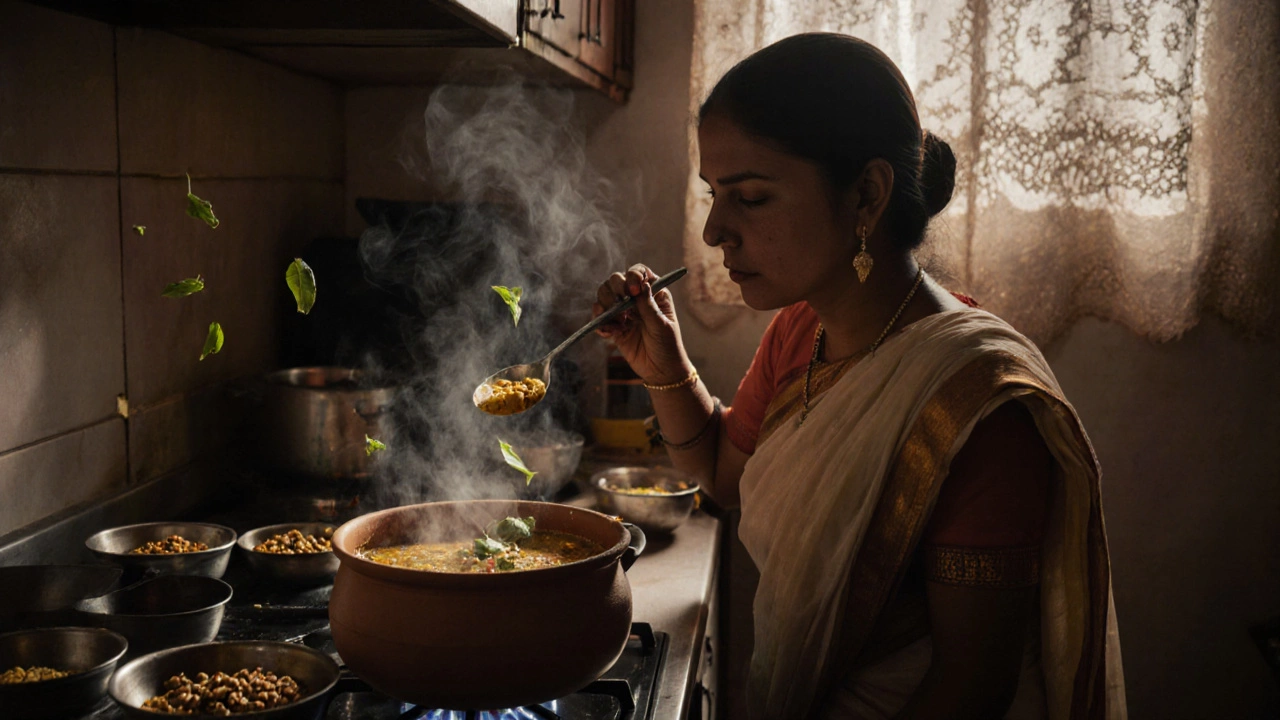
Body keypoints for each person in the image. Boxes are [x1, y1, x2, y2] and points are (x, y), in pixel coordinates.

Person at [592, 33, 1125, 720]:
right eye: (713, 195)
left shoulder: (979, 407)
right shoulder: (801, 329)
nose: (716, 230)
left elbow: (973, 686)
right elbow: (726, 479)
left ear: (867, 194)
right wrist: (664, 364)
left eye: (750, 197)